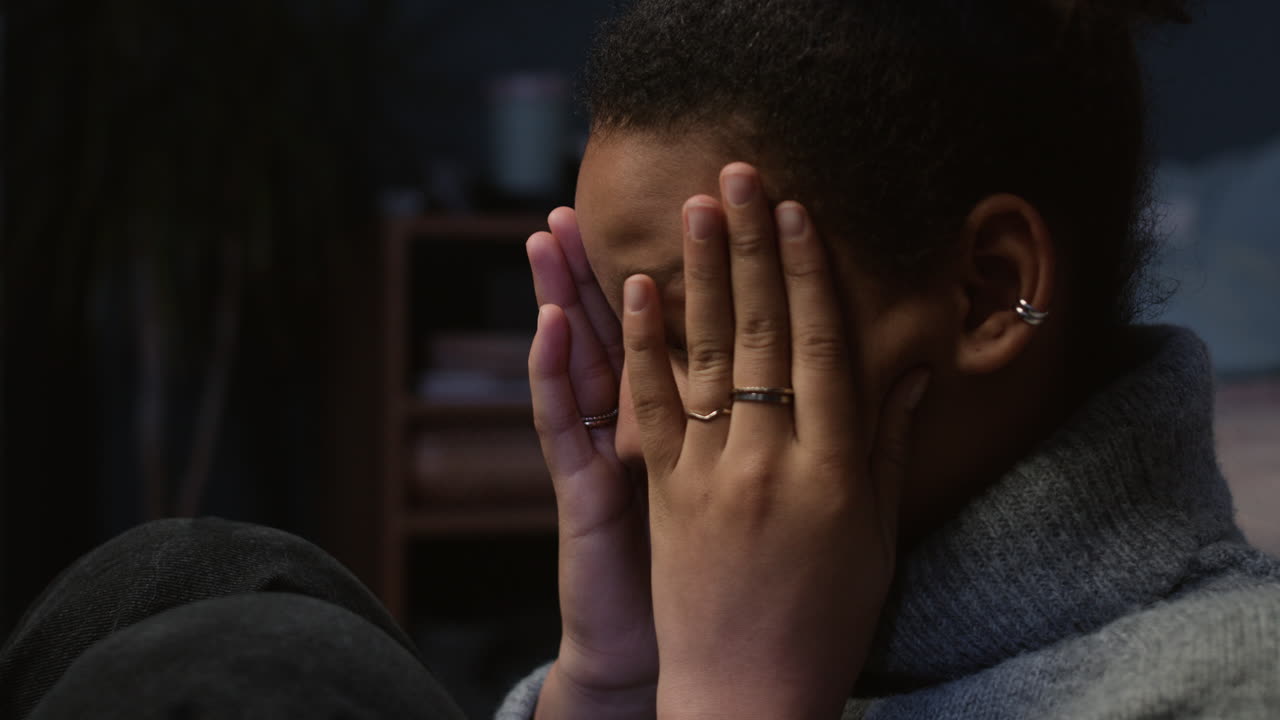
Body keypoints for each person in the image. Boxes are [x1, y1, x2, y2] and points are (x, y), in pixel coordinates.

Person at [2, 0, 1277, 718]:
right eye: (619, 332)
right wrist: (613, 680)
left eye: (699, 321)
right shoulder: (659, 662)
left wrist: (736, 696)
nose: (633, 411)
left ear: (987, 292)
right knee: (188, 578)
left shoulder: (1219, 682)